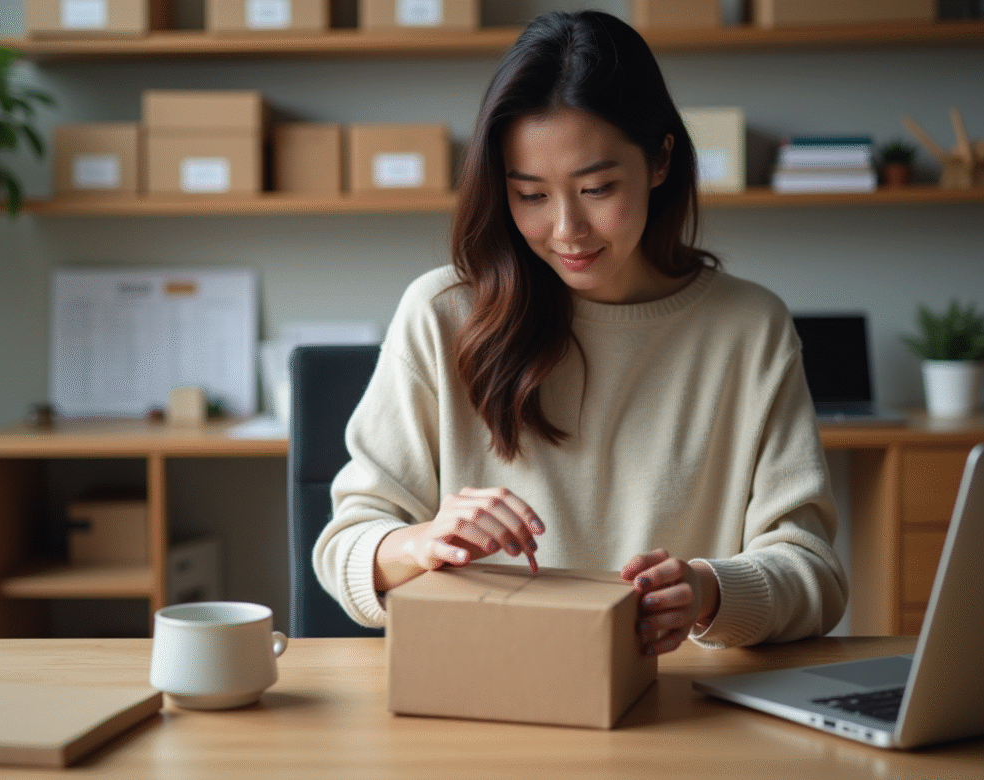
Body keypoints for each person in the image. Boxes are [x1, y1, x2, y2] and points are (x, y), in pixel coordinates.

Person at [313, 9, 847, 656]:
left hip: (673, 713)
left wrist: (707, 590)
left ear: (659, 162)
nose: (567, 229)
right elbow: (344, 549)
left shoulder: (748, 328)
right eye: (531, 195)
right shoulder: (441, 314)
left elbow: (814, 572)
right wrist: (419, 543)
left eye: (596, 188)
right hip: (482, 697)